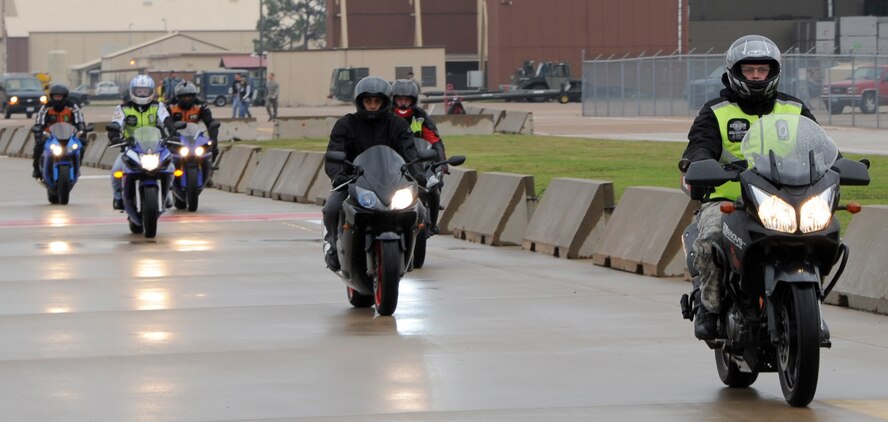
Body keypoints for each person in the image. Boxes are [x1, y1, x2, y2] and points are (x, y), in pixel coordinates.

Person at [681, 35, 818, 340]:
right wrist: (702, 167)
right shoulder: (715, 111)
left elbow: (818, 147)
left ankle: (810, 305)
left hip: (786, 197)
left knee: (822, 229)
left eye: (762, 70)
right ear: (735, 72)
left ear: (773, 72)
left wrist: (836, 165)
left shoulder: (793, 109)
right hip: (731, 199)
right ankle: (709, 305)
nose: (756, 75)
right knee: (711, 237)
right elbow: (699, 148)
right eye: (749, 70)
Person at [322, 76, 426, 271]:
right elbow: (333, 154)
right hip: (353, 181)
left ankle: (410, 251)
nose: (372, 105)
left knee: (419, 210)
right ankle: (332, 245)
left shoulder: (398, 125)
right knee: (332, 208)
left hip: (391, 182)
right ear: (360, 102)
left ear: (385, 102)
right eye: (368, 101)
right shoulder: (345, 125)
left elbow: (410, 153)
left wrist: (418, 173)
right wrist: (338, 175)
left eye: (376, 101)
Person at [108, 74, 179, 210]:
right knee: (116, 170)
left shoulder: (158, 107)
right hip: (131, 147)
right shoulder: (122, 108)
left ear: (151, 91)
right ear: (132, 91)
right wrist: (115, 137)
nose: (142, 94)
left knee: (171, 168)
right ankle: (118, 197)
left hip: (155, 147)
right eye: (139, 91)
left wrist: (174, 134)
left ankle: (167, 194)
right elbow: (115, 124)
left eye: (145, 91)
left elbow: (167, 122)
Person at [391, 78, 447, 233]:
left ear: (413, 101)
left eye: (406, 100)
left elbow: (435, 141)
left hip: (419, 160)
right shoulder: (387, 116)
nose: (403, 104)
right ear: (393, 100)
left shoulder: (420, 117)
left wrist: (442, 162)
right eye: (399, 99)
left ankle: (433, 221)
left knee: (435, 183)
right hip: (393, 161)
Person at [31, 84, 87, 179]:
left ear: (65, 97)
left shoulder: (72, 106)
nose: (57, 98)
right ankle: (36, 169)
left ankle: (77, 166)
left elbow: (79, 120)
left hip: (68, 136)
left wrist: (82, 129)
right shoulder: (46, 107)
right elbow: (39, 121)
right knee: (38, 148)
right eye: (55, 96)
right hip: (50, 137)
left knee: (81, 146)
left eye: (60, 96)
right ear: (51, 96)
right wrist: (38, 130)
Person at [167, 80, 220, 163]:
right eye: (184, 97)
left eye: (189, 96)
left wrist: (213, 140)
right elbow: (165, 123)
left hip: (194, 138)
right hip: (176, 138)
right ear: (178, 97)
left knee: (212, 148)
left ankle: (209, 166)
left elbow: (209, 121)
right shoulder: (170, 107)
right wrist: (170, 136)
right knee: (165, 151)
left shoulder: (200, 106)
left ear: (194, 96)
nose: (187, 99)